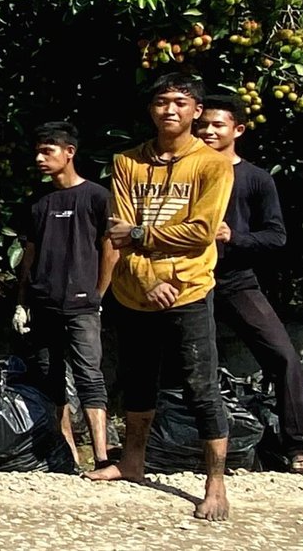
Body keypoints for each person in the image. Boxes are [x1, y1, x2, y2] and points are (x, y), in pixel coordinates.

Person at [88, 73, 233, 522]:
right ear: (151, 110)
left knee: (200, 386)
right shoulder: (128, 162)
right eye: (161, 102)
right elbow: (117, 231)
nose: (170, 110)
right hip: (137, 290)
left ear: (195, 111)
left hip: (189, 288)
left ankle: (215, 483)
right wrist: (149, 274)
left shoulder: (212, 164)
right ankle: (133, 461)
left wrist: (141, 236)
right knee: (137, 378)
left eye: (180, 102)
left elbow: (202, 231)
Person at [196, 95, 303, 474]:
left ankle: (300, 446)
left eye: (218, 125)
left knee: (284, 359)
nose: (209, 131)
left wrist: (235, 237)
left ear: (238, 130)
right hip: (187, 282)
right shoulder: (186, 173)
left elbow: (276, 237)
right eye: (203, 125)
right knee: (178, 364)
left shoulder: (255, 179)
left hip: (235, 281)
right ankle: (164, 447)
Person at [12, 121, 113, 468]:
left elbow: (110, 249)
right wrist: (22, 301)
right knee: (51, 380)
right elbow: (29, 255)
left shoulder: (97, 197)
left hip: (83, 305)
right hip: (44, 303)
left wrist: (98, 294)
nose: (40, 158)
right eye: (37, 151)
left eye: (48, 150)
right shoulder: (38, 202)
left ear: (69, 153)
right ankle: (66, 454)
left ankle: (101, 455)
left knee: (90, 375)